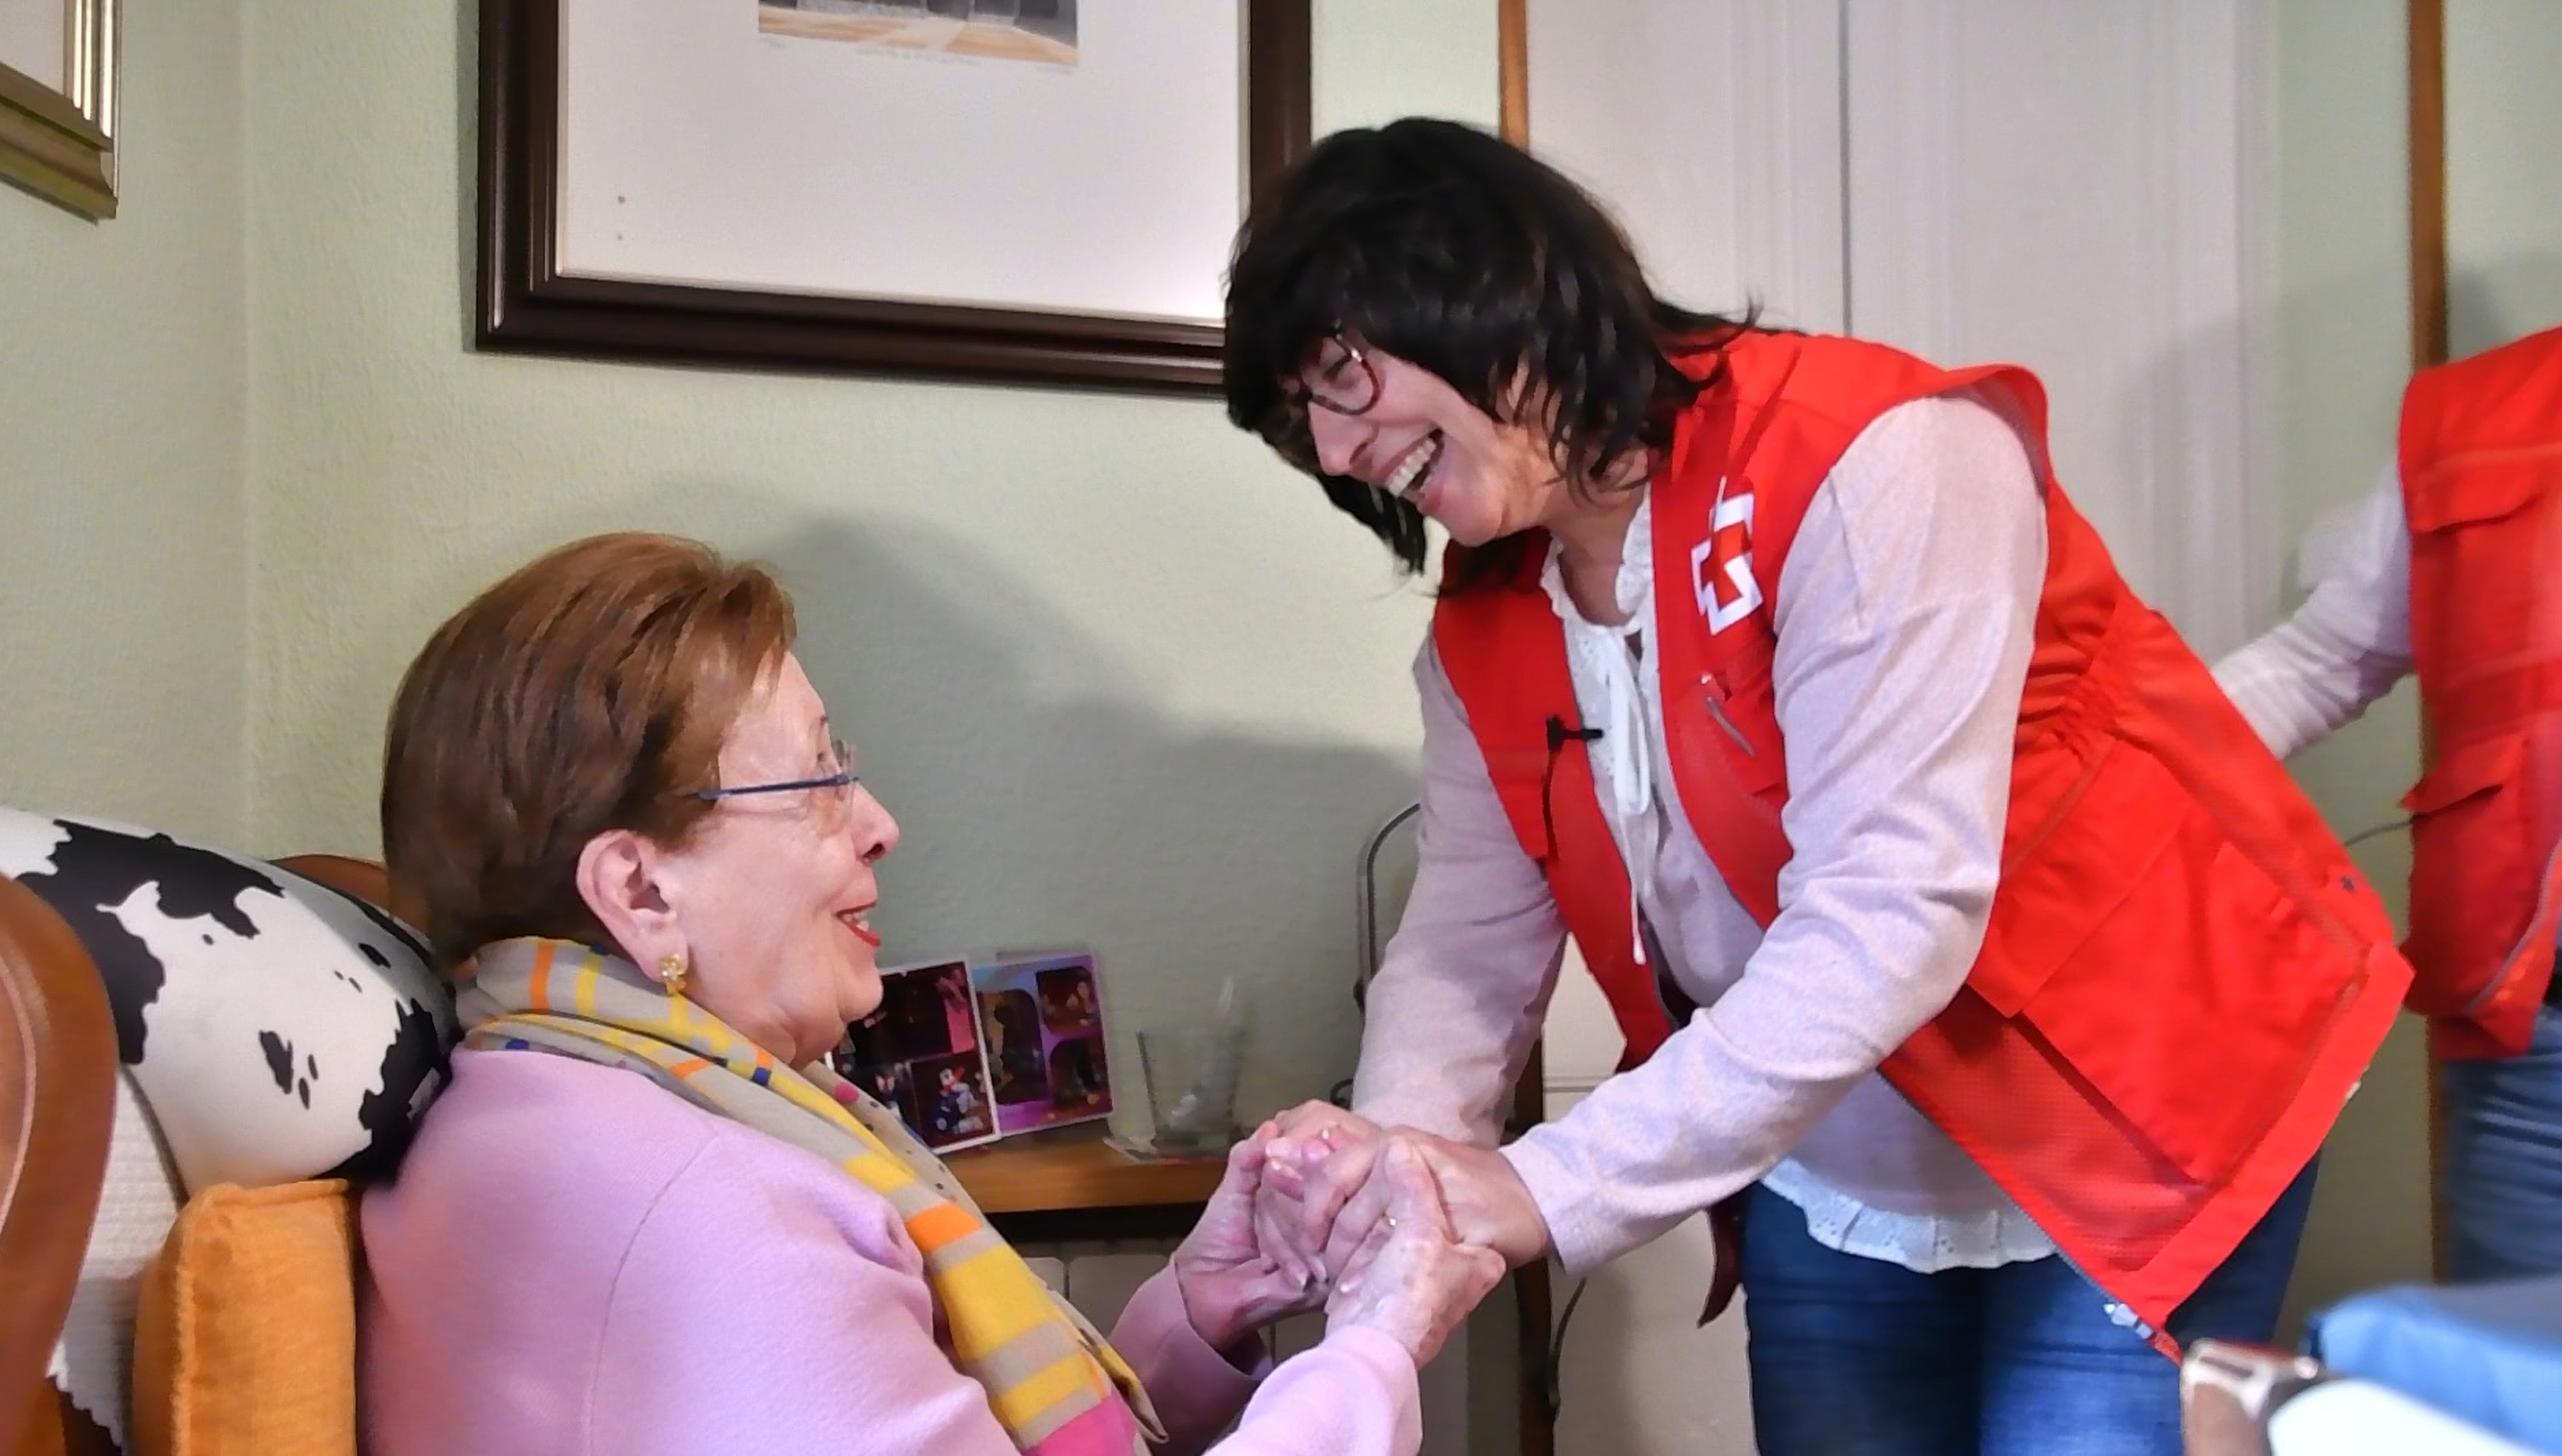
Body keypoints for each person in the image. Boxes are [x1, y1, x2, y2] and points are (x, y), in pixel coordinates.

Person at [1219, 118, 2412, 1455]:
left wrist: (1534, 1185)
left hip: (2153, 1096)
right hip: (1837, 1157)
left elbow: (1886, 918)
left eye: (1337, 376)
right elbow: (1460, 955)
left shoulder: (1884, 455)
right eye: (1296, 422)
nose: (1329, 450)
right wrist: (1400, 1189)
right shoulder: (1486, 622)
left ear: (1487, 281)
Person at [360, 531, 1505, 1456]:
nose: (879, 825)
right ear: (640, 886)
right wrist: (1373, 1346)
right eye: (819, 783)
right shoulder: (712, 1212)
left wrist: (1197, 1309)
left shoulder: (557, 1095)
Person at [2214, 321, 2562, 1283]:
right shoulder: (2473, 416)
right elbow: (2326, 658)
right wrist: (2086, 766)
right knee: (2519, 1405)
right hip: (2538, 1054)